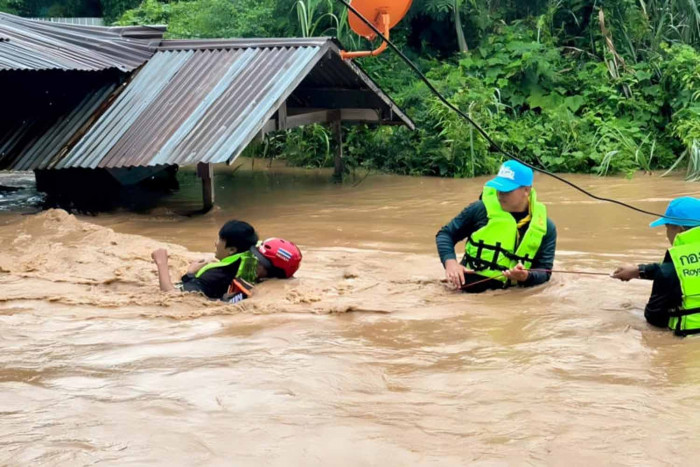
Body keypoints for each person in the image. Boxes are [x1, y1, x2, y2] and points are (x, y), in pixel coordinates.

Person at [436, 160, 557, 292]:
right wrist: (451, 263)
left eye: (507, 190)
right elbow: (445, 234)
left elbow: (544, 272)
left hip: (510, 298)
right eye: (499, 188)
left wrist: (525, 276)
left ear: (526, 190)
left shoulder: (546, 227)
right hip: (464, 291)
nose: (500, 194)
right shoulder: (480, 210)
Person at [611, 197, 700, 336]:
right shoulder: (671, 269)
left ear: (679, 229)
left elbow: (655, 318)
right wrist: (639, 271)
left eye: (667, 227)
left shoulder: (670, 270)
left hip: (688, 339)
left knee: (629, 312)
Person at [151, 220, 259, 300]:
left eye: (219, 239)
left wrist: (162, 263)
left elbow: (170, 294)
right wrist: (190, 275)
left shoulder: (215, 275)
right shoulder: (248, 266)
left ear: (231, 250)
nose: (215, 243)